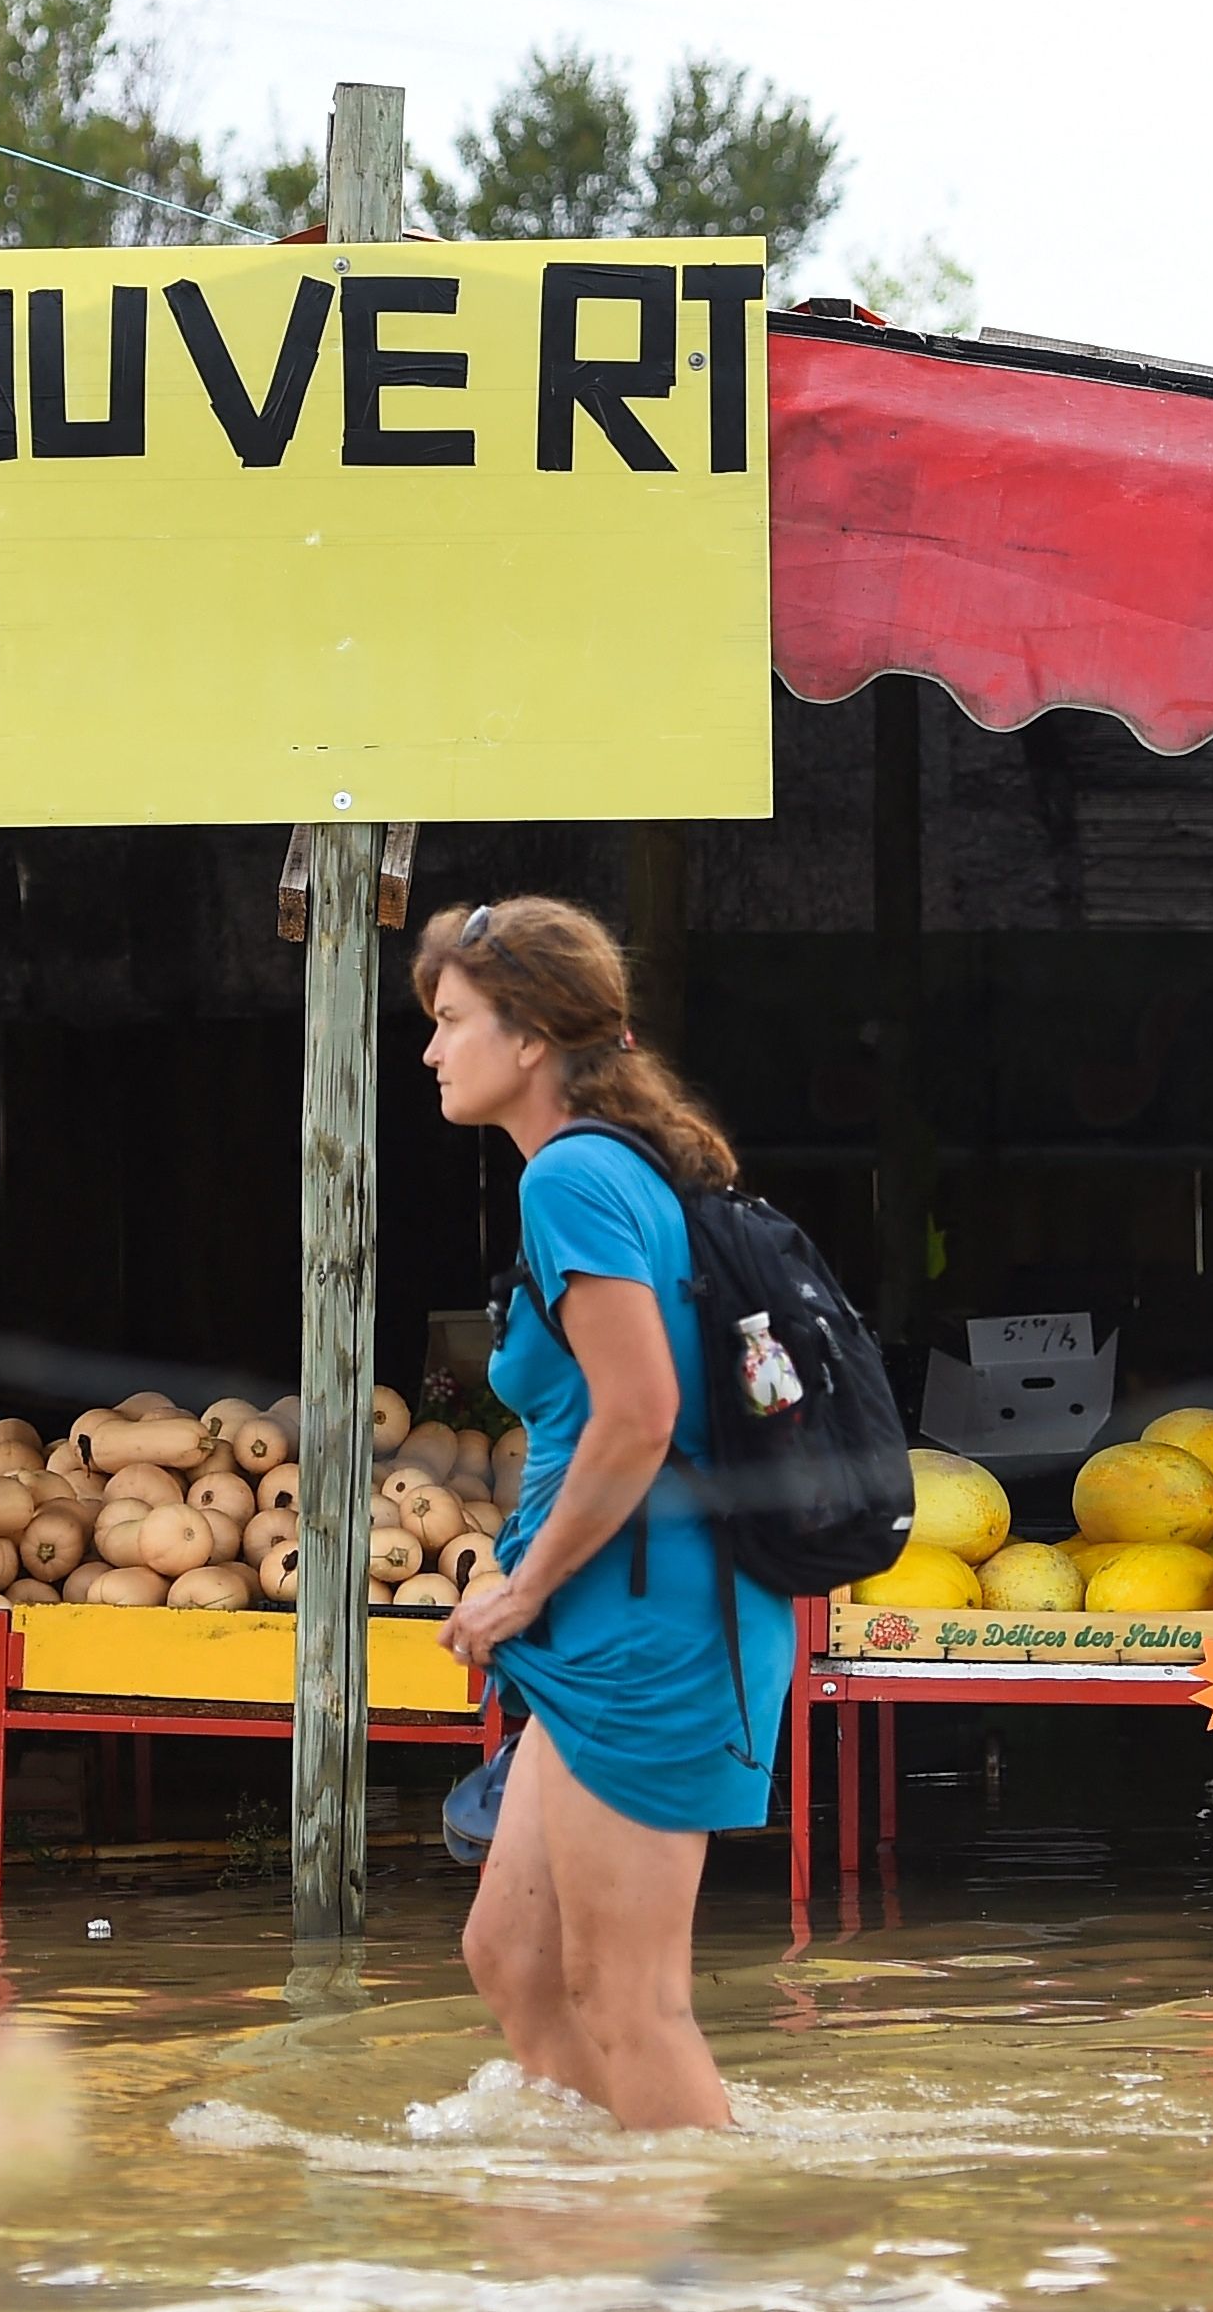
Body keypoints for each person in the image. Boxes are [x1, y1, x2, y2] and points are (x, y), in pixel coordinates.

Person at [421, 893, 795, 2131]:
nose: (431, 1049)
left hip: (652, 1622)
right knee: (516, 1962)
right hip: (604, 1621)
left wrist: (522, 1585)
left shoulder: (572, 1179)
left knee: (629, 1998)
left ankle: (694, 2261)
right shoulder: (606, 1168)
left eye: (452, 1020)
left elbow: (640, 1410)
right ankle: (593, 2222)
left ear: (530, 1037)